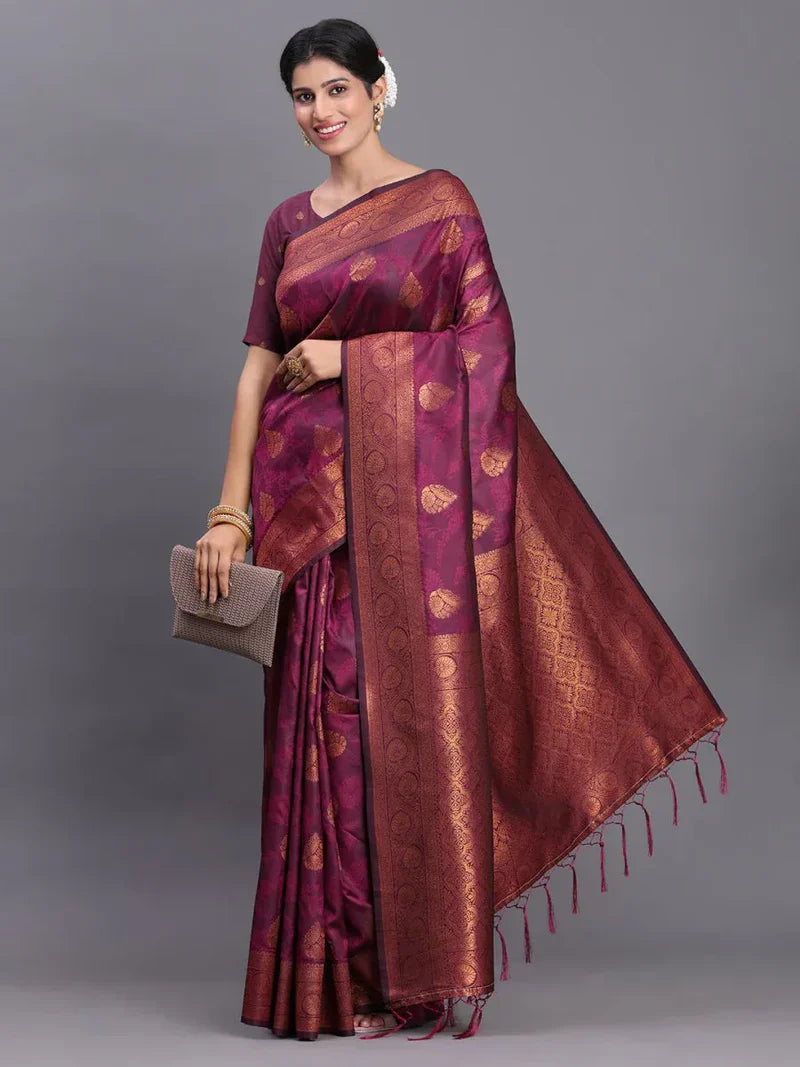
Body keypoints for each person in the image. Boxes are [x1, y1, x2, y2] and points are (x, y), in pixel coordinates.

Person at [193, 17, 728, 1043]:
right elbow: (255, 369)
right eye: (302, 95)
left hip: (405, 516)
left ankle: (401, 977)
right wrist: (229, 512)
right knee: (313, 735)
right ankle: (324, 985)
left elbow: (485, 350)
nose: (321, 112)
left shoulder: (440, 205)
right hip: (303, 514)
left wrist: (353, 361)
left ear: (378, 89)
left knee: (380, 731)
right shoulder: (286, 224)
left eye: (337, 89)